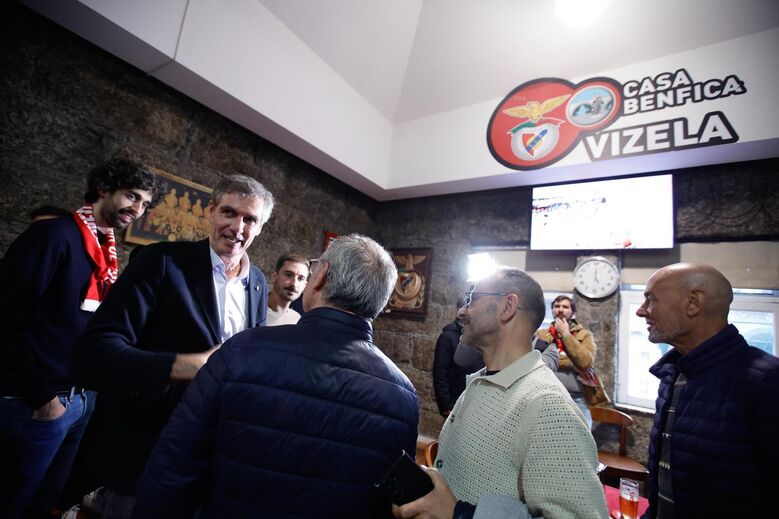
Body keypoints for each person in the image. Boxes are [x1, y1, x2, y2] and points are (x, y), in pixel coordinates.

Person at [132, 234, 420, 518]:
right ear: (381, 303)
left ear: (320, 278)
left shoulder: (243, 350)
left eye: (314, 268)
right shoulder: (404, 397)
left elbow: (176, 462)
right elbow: (390, 506)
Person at [73, 174, 274, 518]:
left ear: (260, 226)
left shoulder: (257, 283)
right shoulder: (161, 262)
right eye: (229, 212)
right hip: (146, 452)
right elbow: (96, 351)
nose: (237, 227)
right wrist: (189, 366)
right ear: (210, 211)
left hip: (211, 458)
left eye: (250, 219)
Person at [0, 158, 164, 519]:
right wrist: (43, 399)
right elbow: (8, 321)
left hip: (78, 400)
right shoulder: (53, 236)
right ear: (103, 189)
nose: (136, 210)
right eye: (131, 196)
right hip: (36, 400)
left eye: (144, 205)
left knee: (44, 505)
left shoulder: (104, 247)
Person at [395, 267, 607, 519]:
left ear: (507, 307)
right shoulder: (480, 383)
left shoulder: (548, 406)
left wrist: (461, 514)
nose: (462, 311)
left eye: (473, 298)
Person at [636, 263, 779, 518]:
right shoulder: (672, 375)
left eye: (651, 300)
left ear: (694, 302)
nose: (641, 311)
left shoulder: (766, 381)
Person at [434, 302, 559, 417]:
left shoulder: (545, 394)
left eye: (474, 300)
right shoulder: (450, 337)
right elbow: (440, 371)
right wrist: (445, 405)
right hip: (462, 400)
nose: (461, 312)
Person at [536, 295, 601, 428]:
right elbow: (538, 361)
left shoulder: (585, 335)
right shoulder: (542, 334)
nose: (560, 310)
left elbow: (585, 362)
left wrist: (566, 334)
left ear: (573, 312)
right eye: (556, 306)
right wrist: (572, 364)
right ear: (552, 310)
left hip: (577, 399)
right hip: (548, 396)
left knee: (582, 438)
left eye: (565, 307)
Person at [265, 253, 310, 325]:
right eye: (288, 275)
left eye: (300, 279)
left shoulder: (297, 320)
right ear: (274, 276)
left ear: (305, 285)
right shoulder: (253, 313)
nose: (294, 284)